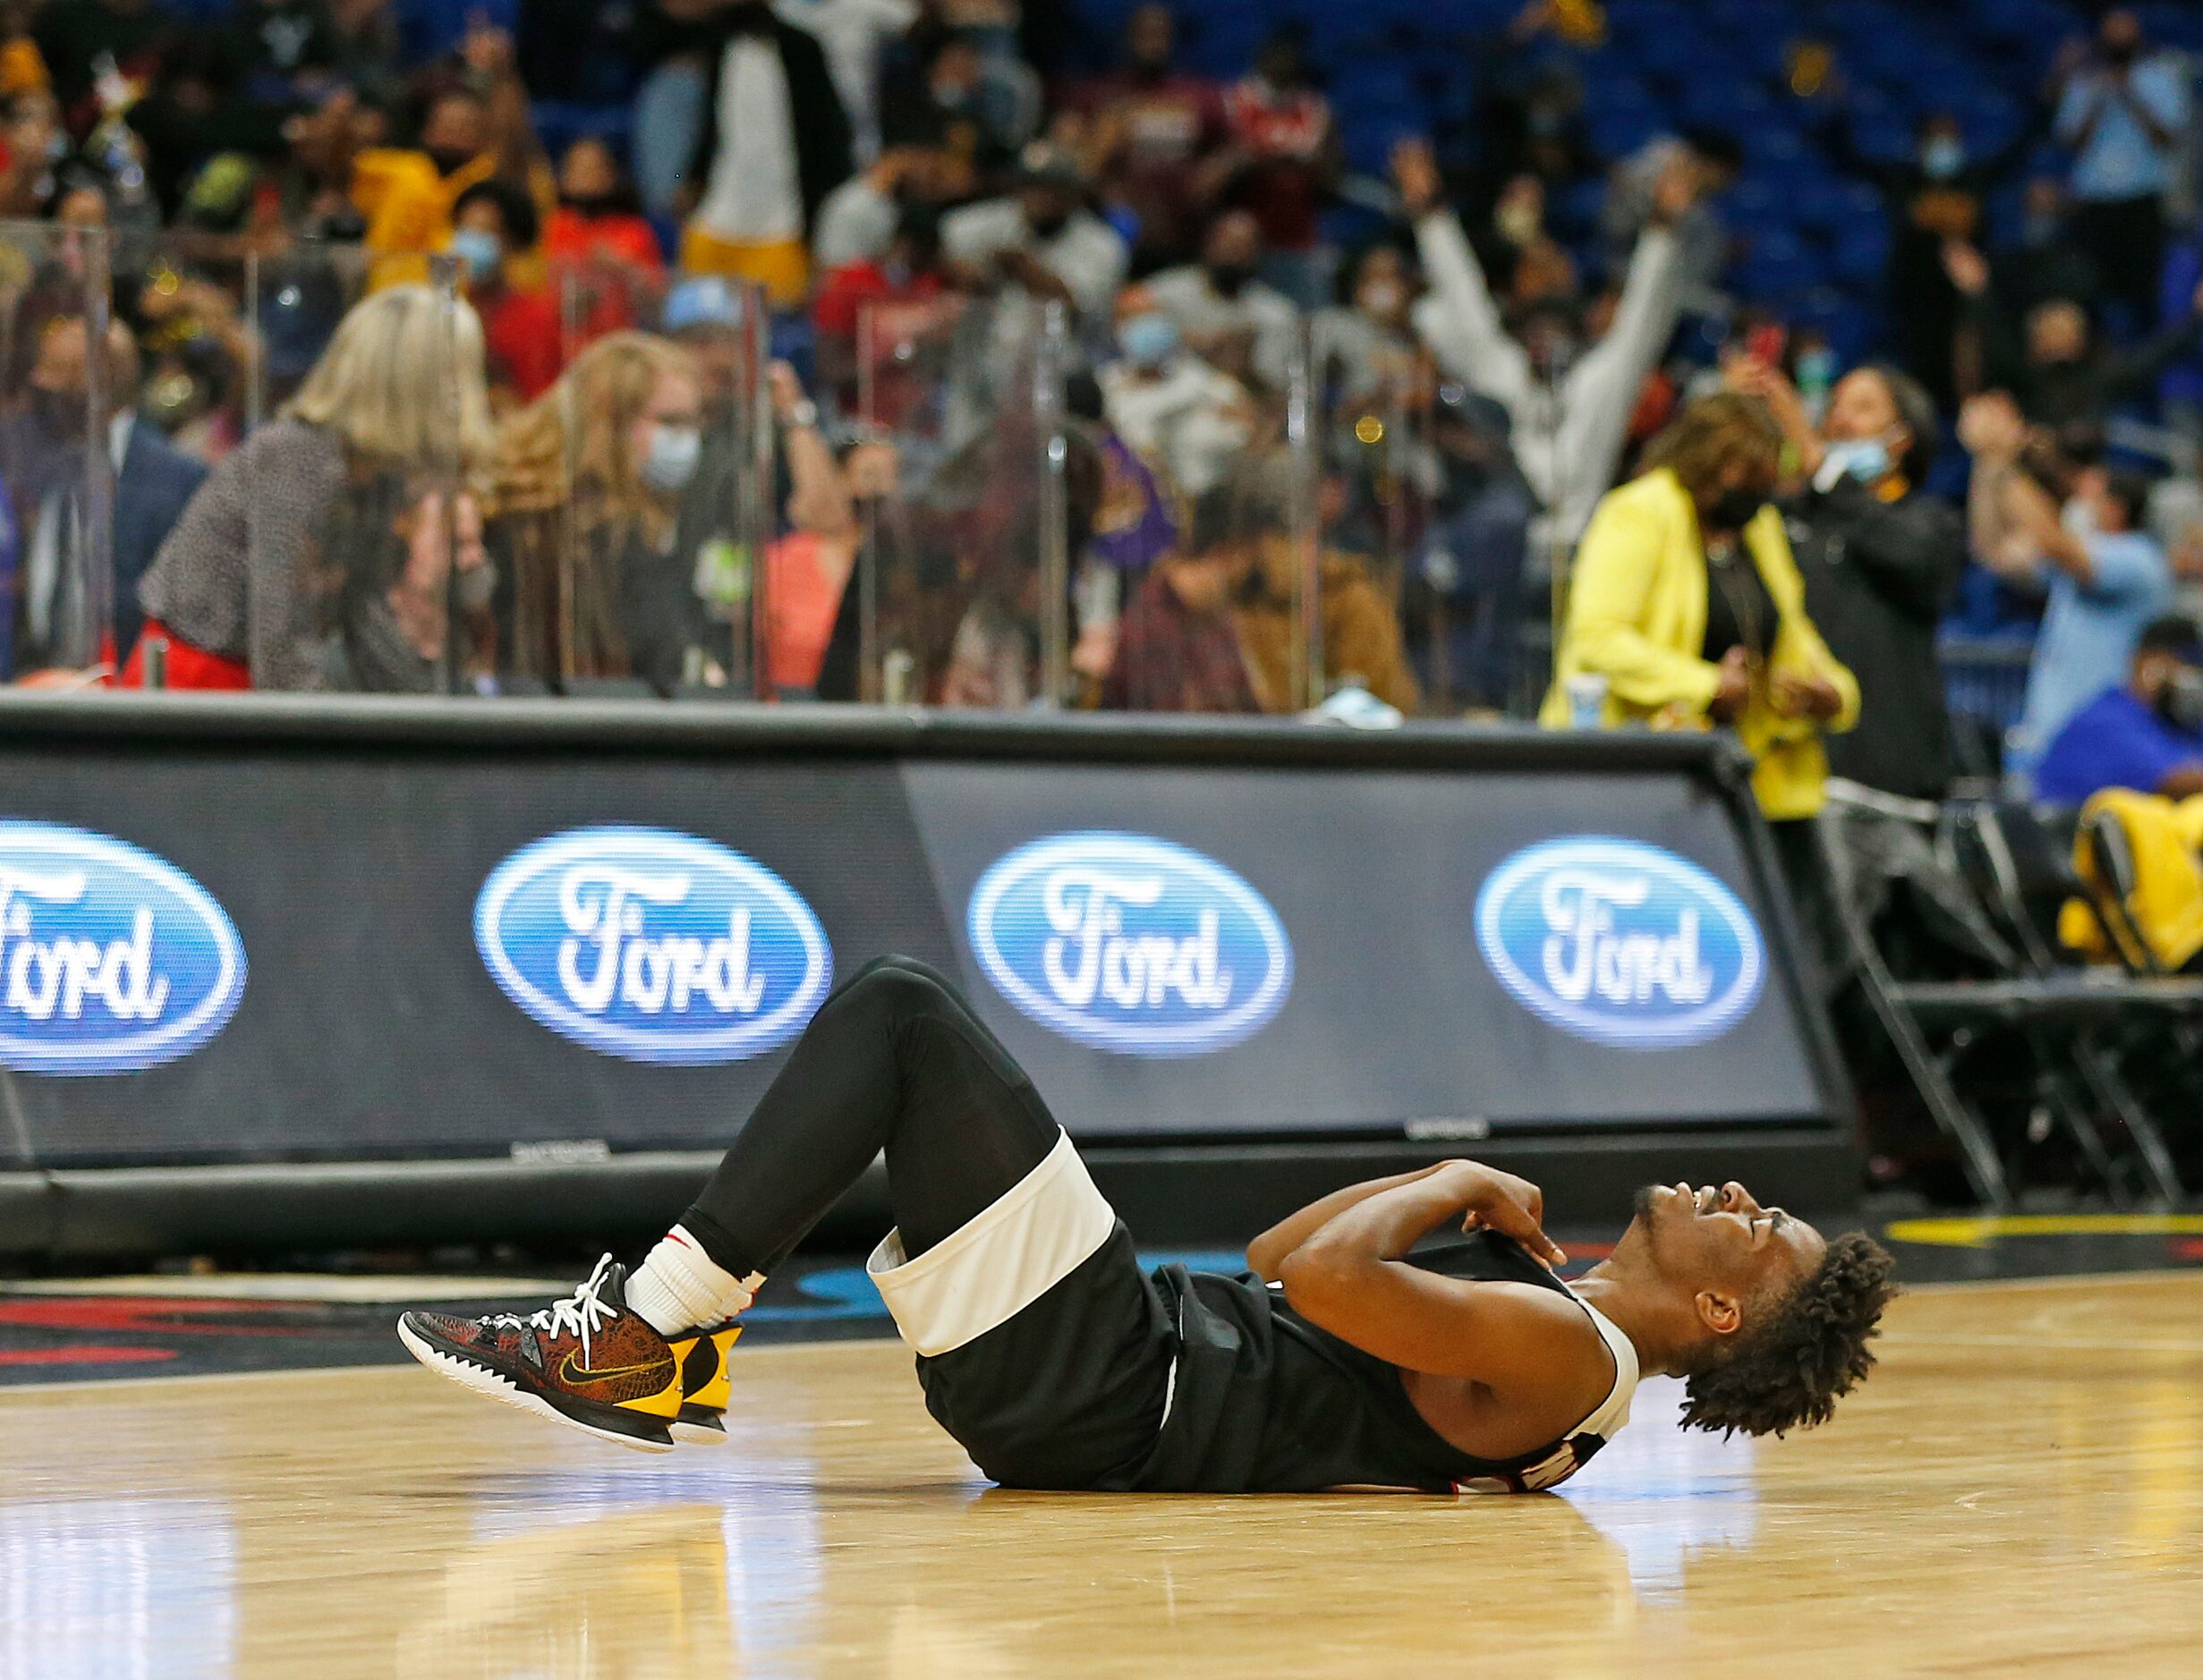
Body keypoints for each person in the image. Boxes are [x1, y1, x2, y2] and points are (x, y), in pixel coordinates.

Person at [399, 955, 1894, 1488]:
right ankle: (663, 1331)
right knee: (900, 1014)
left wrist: (1442, 1180)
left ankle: (651, 1334)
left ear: (1717, 1318)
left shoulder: (1566, 1354)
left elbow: (1309, 1271)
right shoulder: (1542, 1321)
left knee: (903, 1011)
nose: (1743, 1202)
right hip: (1111, 1370)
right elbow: (1274, 1264)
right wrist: (1440, 1206)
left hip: (1110, 1377)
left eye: (1759, 1237)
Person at [127, 284, 496, 690]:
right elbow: (281, 643)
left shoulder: (378, 474)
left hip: (255, 684)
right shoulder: (296, 459)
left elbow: (367, 618)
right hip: (201, 682)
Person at [1541, 394, 1859, 839]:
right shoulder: (1640, 511)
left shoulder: (1759, 525)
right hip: (1640, 776)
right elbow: (1598, 637)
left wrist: (1832, 691)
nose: (1756, 488)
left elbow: (1791, 628)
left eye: (1765, 476)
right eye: (1746, 473)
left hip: (1751, 780)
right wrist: (1706, 685)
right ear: (1706, 461)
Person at [1395, 138, 1693, 553]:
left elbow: (1640, 322)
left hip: (1577, 552)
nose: (1544, 343)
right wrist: (1430, 216)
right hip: (1501, 557)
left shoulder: (1596, 385)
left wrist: (1663, 227)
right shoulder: (1504, 373)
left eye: (1557, 332)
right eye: (1535, 332)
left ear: (1576, 338)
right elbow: (1466, 305)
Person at [1732, 358, 1966, 802]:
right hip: (1794, 773)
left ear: (1901, 439)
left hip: (1887, 783)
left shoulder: (1930, 523)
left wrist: (1818, 461)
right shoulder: (1794, 518)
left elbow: (1911, 558)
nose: (1839, 420)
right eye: (1835, 406)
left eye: (1862, 408)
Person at [1961, 391, 2173, 772]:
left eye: (2091, 494)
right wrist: (1986, 467)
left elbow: (2056, 545)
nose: (2077, 502)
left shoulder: (2141, 562)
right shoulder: (2072, 569)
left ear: (2116, 509)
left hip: (2099, 753)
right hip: (2045, 746)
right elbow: (1992, 550)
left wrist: (2003, 460)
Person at [489, 331, 704, 693]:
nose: (688, 439)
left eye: (694, 422)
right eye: (670, 422)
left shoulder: (636, 518)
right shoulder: (577, 529)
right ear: (611, 424)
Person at [0, 318, 202, 675]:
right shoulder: (37, 467)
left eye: (56, 371)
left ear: (101, 378)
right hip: (33, 697)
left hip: (131, 705)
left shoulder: (179, 482)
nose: (38, 383)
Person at [680, 0, 854, 309]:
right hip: (718, 215)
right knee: (697, 317)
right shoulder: (718, 46)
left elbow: (828, 132)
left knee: (776, 326)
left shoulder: (801, 49)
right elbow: (712, 125)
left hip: (782, 222)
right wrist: (694, 176)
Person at [1061, 4, 1228, 273]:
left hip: (1183, 232)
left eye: (1161, 35)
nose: (1154, 44)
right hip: (1113, 232)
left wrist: (1219, 167)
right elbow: (1068, 159)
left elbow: (1235, 146)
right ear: (1127, 38)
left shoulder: (1199, 96)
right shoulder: (1096, 96)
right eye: (1145, 34)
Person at [2053, 7, 2189, 323]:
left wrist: (2129, 93)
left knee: (2145, 293)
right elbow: (2071, 143)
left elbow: (2166, 138)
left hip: (2141, 199)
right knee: (2090, 294)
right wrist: (2101, 96)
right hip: (2094, 201)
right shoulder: (2084, 81)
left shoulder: (2160, 76)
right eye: (2112, 30)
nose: (2119, 37)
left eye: (2125, 30)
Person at [940, 142, 1127, 326]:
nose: (1037, 197)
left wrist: (1026, 270)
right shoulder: (997, 219)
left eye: (1049, 187)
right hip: (993, 348)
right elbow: (952, 233)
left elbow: (1084, 308)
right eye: (1030, 185)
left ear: (1074, 193)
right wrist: (978, 268)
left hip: (1068, 352)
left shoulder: (1104, 244)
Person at [1097, 291, 1253, 503]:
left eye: (1152, 314)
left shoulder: (1203, 381)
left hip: (1208, 500)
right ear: (1117, 325)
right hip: (1136, 498)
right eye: (1134, 317)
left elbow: (1248, 424)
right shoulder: (1105, 384)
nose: (1145, 324)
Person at [2035, 614, 2203, 806]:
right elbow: (2173, 782)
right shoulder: (2104, 722)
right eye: (2190, 666)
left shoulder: (2182, 722)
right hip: (2063, 834)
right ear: (2149, 663)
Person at [1143, 208, 1298, 391]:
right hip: (1171, 393)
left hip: (1241, 403)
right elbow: (1139, 352)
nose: (1233, 255)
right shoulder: (1163, 293)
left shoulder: (1277, 314)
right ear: (1208, 244)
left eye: (1242, 247)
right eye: (1227, 244)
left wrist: (1244, 362)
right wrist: (1197, 342)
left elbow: (1279, 387)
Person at [450, 177, 563, 405]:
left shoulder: (535, 318)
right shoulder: (445, 310)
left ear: (512, 243)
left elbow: (541, 403)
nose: (471, 243)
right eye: (465, 230)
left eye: (485, 233)